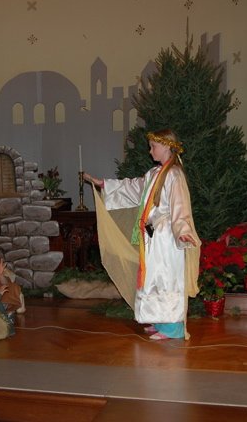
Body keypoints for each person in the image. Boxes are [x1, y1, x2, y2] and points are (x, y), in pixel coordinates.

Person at [84, 128, 200, 340]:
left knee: (166, 279)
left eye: (153, 146)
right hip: (153, 238)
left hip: (166, 238)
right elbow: (134, 188)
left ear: (166, 146)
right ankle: (159, 320)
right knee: (153, 278)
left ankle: (173, 328)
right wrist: (105, 185)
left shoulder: (174, 175)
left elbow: (180, 206)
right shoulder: (154, 174)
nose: (150, 151)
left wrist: (183, 231)